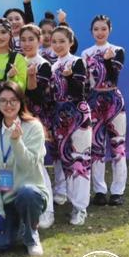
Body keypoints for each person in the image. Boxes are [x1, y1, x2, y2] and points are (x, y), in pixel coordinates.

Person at [0, 82, 49, 256]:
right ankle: (18, 227)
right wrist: (0, 213)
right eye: (3, 100)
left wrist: (17, 142)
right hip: (8, 201)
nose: (8, 105)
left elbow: (28, 166)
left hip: (30, 195)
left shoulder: (33, 127)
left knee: (27, 193)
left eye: (13, 100)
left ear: (20, 101)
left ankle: (31, 235)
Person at [82, 15, 127, 206]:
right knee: (96, 148)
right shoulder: (86, 54)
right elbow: (85, 83)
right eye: (96, 29)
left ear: (110, 30)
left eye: (103, 29)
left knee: (118, 146)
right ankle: (99, 190)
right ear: (91, 31)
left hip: (114, 102)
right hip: (94, 103)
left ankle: (117, 191)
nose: (99, 32)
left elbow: (113, 77)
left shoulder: (118, 50)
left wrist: (108, 61)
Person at [49, 25, 92, 226]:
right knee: (66, 160)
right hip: (59, 118)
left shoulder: (77, 62)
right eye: (54, 41)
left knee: (80, 161)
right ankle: (71, 199)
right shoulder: (52, 66)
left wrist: (69, 77)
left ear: (71, 43)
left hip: (78, 115)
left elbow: (80, 93)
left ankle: (80, 207)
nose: (58, 45)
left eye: (62, 41)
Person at [19, 24, 56, 229]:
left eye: (31, 39)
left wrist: (31, 77)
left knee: (38, 165)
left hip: (36, 120)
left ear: (39, 41)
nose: (27, 43)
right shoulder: (17, 61)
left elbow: (38, 97)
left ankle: (47, 210)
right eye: (23, 39)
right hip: (17, 119)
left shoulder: (44, 65)